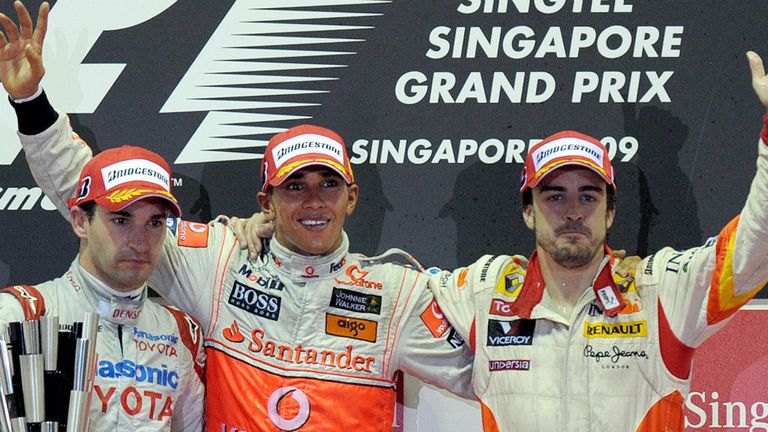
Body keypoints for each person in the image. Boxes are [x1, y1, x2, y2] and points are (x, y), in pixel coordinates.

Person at [0, 2, 474, 431]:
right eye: (294, 187)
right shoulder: (219, 261)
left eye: (328, 185)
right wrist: (31, 104)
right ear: (265, 201)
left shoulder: (395, 293)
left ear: (351, 198)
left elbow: (503, 366)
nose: (313, 202)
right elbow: (97, 193)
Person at [425, 52, 768, 431]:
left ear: (610, 212)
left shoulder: (660, 291)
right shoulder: (483, 294)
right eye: (555, 197)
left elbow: (754, 250)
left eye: (588, 196)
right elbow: (387, 300)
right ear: (527, 212)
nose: (573, 212)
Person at [0, 142, 206, 430]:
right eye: (121, 220)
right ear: (80, 221)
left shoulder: (181, 334)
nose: (140, 241)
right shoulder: (19, 317)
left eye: (155, 222)